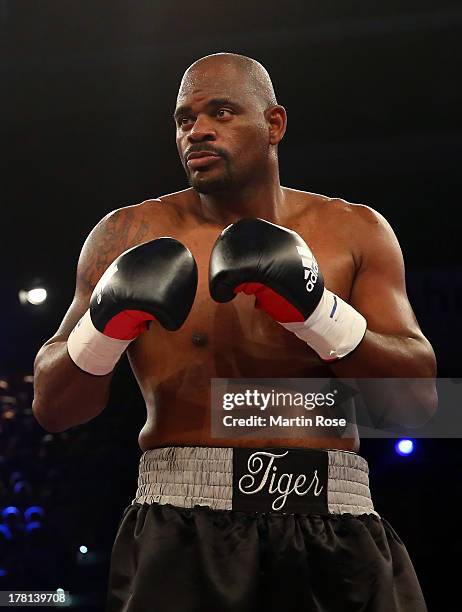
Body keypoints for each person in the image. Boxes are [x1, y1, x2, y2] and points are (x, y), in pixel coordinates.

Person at [32, 52, 437, 611]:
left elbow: (416, 407)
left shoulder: (354, 230)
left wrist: (316, 311)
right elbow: (53, 408)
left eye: (220, 112)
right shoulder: (127, 234)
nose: (197, 131)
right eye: (183, 119)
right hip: (180, 524)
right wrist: (104, 326)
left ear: (274, 124)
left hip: (330, 521)